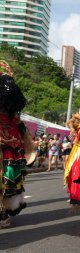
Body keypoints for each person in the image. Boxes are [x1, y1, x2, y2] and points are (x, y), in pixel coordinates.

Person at [0, 61, 33, 228]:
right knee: (7, 181)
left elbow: (22, 136)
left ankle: (3, 213)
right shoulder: (15, 117)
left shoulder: (14, 118)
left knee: (6, 181)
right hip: (10, 152)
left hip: (8, 153)